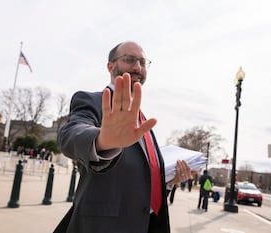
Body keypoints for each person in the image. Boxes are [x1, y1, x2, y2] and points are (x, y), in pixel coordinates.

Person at [54, 41, 192, 233]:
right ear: (110, 66)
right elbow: (71, 134)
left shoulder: (143, 119)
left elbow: (140, 176)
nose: (138, 67)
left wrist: (168, 181)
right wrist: (103, 141)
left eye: (143, 62)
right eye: (129, 60)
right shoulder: (92, 100)